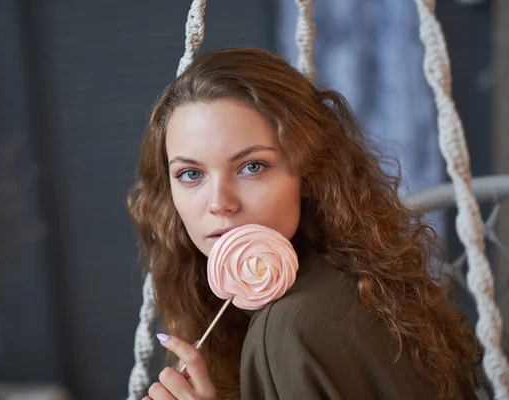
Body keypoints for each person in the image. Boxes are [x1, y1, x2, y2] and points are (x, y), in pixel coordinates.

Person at [127, 47, 481, 400]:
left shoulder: (289, 327)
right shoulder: (365, 282)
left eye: (252, 167)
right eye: (191, 174)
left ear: (309, 174)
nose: (220, 203)